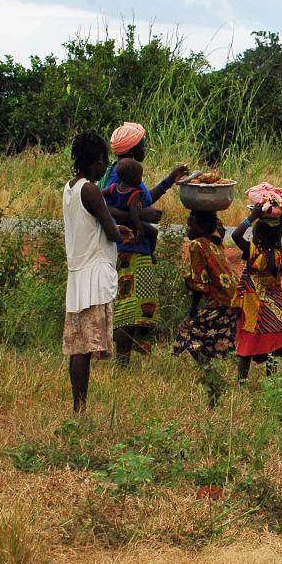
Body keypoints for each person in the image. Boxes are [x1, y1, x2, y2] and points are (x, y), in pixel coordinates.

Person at [102, 122, 188, 364]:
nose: (145, 148)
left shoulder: (127, 173)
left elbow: (145, 199)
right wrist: (140, 217)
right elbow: (105, 209)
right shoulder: (116, 174)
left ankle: (127, 358)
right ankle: (122, 362)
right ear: (132, 149)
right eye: (142, 144)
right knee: (128, 308)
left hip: (136, 248)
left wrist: (171, 179)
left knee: (137, 305)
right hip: (127, 248)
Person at [63, 132, 134, 412]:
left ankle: (78, 407)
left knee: (78, 346)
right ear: (97, 161)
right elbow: (111, 230)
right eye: (104, 161)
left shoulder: (70, 188)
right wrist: (122, 232)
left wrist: (117, 230)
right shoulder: (90, 189)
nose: (106, 167)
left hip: (79, 275)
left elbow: (92, 225)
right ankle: (79, 408)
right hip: (93, 276)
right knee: (83, 350)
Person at [232, 196, 282, 381]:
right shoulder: (279, 255)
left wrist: (252, 216)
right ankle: (271, 384)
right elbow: (276, 237)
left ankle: (242, 383)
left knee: (246, 348)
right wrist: (280, 218)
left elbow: (235, 235)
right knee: (272, 346)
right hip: (273, 308)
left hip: (253, 307)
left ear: (257, 233)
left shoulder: (253, 251)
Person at [173, 210, 239, 365]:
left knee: (186, 331)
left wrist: (192, 312)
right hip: (234, 297)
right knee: (222, 337)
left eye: (190, 226)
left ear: (201, 228)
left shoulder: (197, 244)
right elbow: (219, 227)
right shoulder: (215, 240)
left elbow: (199, 283)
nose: (187, 230)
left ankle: (207, 370)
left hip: (221, 300)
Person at [112, 158, 160, 257]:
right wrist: (139, 228)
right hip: (133, 222)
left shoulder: (113, 187)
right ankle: (151, 254)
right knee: (153, 232)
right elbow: (133, 210)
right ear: (134, 178)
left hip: (120, 224)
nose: (141, 179)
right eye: (140, 176)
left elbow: (101, 194)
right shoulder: (134, 193)